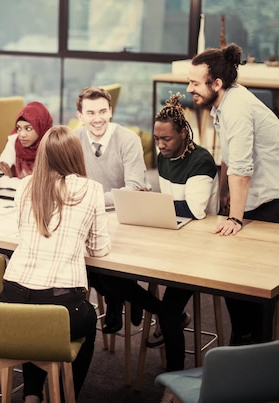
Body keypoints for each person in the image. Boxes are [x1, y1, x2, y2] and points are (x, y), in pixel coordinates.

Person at [0, 125, 111, 403]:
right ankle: (60, 395)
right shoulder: (92, 190)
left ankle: (32, 394)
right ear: (76, 156)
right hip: (62, 307)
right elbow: (99, 249)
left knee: (32, 323)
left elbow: (23, 231)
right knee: (86, 325)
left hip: (10, 302)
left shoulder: (25, 185)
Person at [187, 43, 279, 345]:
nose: (189, 89)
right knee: (234, 274)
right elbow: (227, 156)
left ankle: (253, 346)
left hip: (271, 199)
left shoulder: (237, 108)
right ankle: (244, 337)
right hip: (254, 195)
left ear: (217, 83)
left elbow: (242, 168)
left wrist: (235, 219)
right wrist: (223, 193)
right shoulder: (223, 104)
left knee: (252, 280)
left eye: (195, 83)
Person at [151, 92, 219, 403]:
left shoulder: (201, 160)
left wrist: (158, 205)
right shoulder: (163, 157)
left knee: (168, 308)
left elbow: (195, 208)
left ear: (183, 134)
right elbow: (171, 206)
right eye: (156, 138)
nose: (160, 145)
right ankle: (164, 314)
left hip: (201, 248)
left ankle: (174, 382)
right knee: (108, 278)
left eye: (166, 139)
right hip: (171, 239)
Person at [74, 86, 149, 334]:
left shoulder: (128, 140)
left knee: (107, 264)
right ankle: (129, 297)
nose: (98, 118)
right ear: (80, 115)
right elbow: (68, 183)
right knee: (78, 262)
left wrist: (90, 198)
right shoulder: (74, 140)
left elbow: (134, 189)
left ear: (111, 111)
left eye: (103, 111)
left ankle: (122, 299)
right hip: (87, 219)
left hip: (124, 219)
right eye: (91, 112)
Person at [0, 101, 53, 190]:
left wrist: (11, 179)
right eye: (18, 128)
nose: (21, 134)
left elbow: (46, 186)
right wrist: (26, 183)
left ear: (41, 127)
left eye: (28, 128)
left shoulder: (52, 145)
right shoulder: (14, 141)